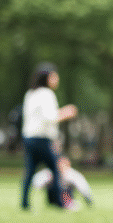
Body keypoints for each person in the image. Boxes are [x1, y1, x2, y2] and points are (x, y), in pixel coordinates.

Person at [20, 62, 77, 211]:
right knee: (56, 169)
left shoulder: (30, 94)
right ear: (47, 78)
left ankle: (24, 203)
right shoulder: (46, 94)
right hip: (41, 139)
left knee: (30, 170)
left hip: (29, 138)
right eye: (54, 76)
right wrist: (66, 112)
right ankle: (60, 202)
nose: (57, 79)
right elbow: (49, 117)